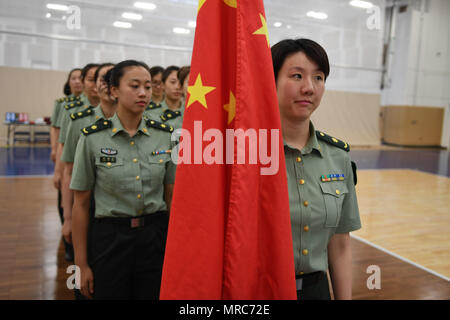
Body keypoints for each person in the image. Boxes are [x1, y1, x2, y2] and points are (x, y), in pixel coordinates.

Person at [71, 60, 176, 300]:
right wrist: (80, 264)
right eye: (135, 86)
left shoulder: (166, 136)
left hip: (154, 237)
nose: (143, 93)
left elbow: (171, 196)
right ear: (114, 90)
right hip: (110, 239)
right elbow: (81, 204)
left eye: (148, 87)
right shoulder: (92, 138)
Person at [271, 38, 361, 300]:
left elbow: (340, 244)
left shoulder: (337, 156)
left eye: (319, 78)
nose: (309, 88)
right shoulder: (244, 154)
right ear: (270, 79)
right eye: (297, 76)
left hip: (316, 292)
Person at [50, 67, 83, 261]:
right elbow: (56, 129)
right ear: (68, 82)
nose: (78, 81)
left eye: (81, 78)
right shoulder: (64, 105)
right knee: (65, 193)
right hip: (66, 154)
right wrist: (55, 150)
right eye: (74, 78)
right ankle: (68, 240)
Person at [144, 65, 184, 130]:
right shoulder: (149, 112)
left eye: (181, 82)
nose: (178, 87)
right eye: (173, 82)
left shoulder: (191, 113)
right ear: (163, 84)